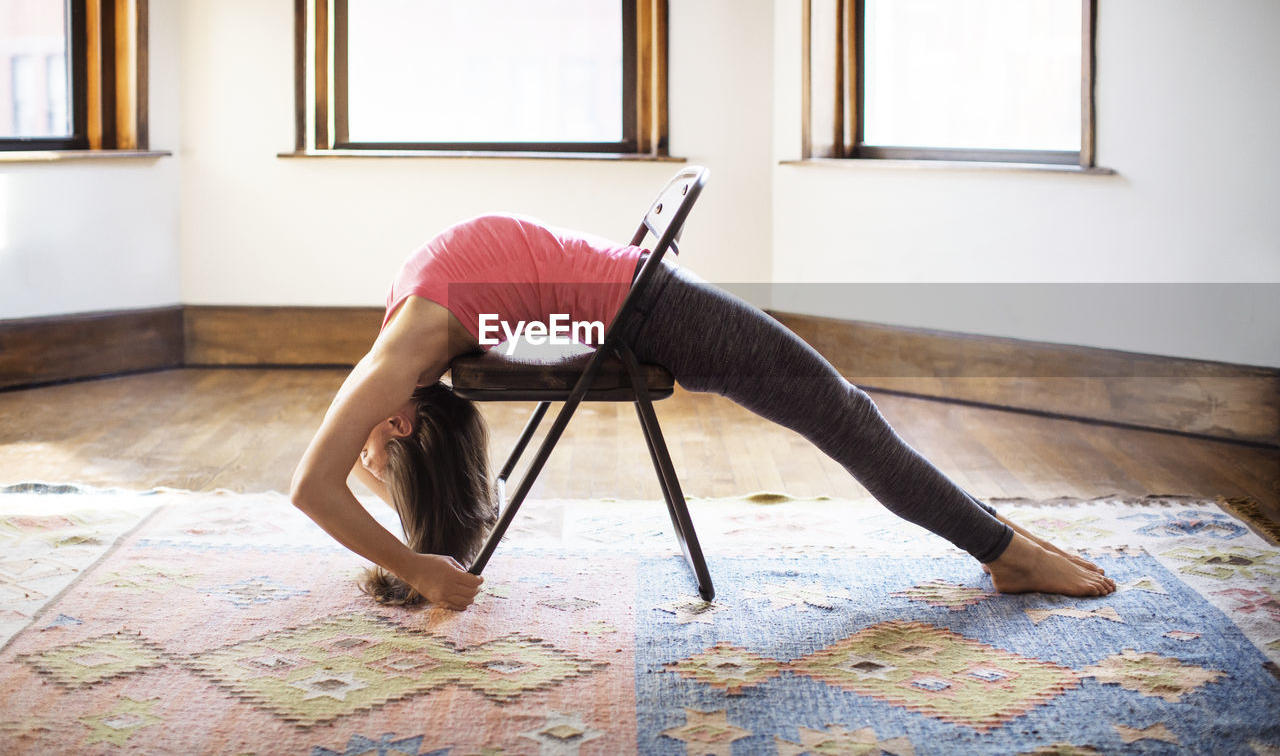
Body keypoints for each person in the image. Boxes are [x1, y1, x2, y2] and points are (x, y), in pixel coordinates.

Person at [290, 213, 1116, 611]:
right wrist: (423, 564)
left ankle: (1001, 538)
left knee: (846, 415)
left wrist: (419, 565)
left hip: (647, 299)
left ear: (397, 421)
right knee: (846, 416)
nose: (355, 445)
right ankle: (1006, 550)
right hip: (649, 305)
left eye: (370, 463)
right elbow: (320, 487)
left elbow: (309, 487)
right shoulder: (412, 348)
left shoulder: (396, 358)